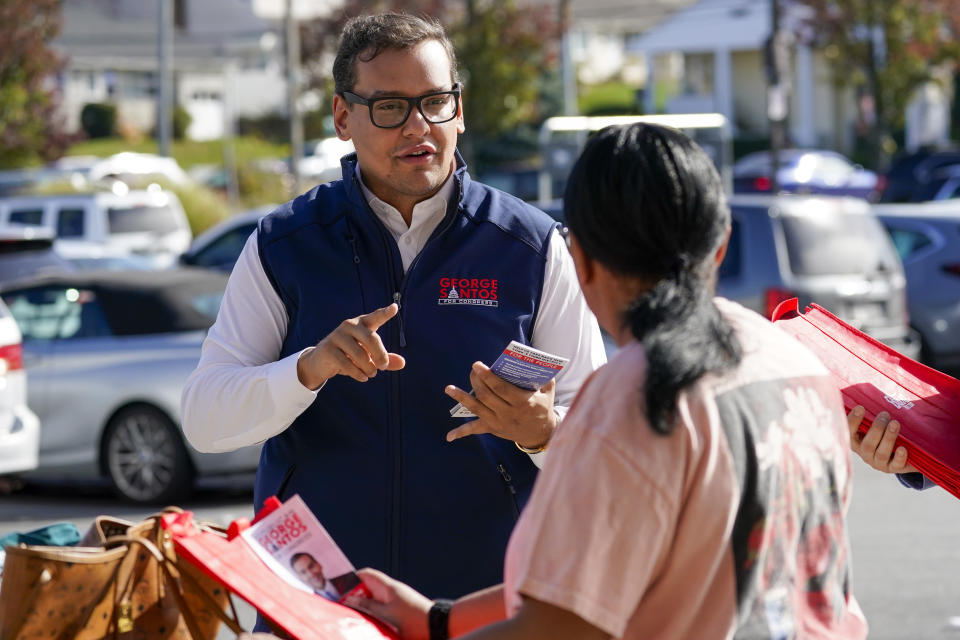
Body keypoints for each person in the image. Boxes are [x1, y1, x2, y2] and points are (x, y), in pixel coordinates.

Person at [350, 123, 868, 639]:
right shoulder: (795, 364)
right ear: (720, 245)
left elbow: (562, 624)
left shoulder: (636, 395)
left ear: (582, 262)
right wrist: (439, 620)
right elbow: (593, 582)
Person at [180, 12, 605, 600]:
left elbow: (605, 446)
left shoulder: (531, 247)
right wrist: (309, 369)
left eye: (435, 101)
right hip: (319, 602)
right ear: (342, 118)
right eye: (389, 107)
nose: (417, 126)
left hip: (484, 606)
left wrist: (543, 433)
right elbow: (205, 419)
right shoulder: (284, 244)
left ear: (459, 108)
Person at [289, 552, 358, 601]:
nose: (311, 574)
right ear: (300, 578)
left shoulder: (349, 578)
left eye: (311, 566)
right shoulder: (311, 603)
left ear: (319, 564)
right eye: (303, 572)